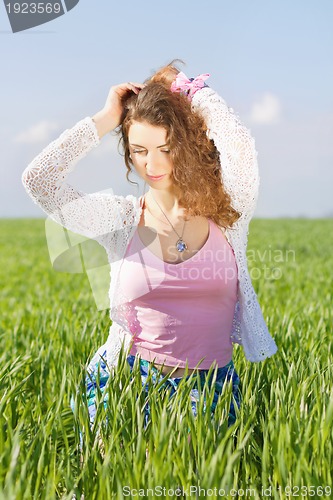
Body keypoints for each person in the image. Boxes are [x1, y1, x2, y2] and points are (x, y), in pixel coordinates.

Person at [21, 59, 278, 435]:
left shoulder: (229, 216)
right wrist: (108, 117)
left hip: (212, 393)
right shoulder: (122, 219)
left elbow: (238, 144)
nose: (152, 163)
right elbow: (39, 181)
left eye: (166, 148)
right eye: (139, 149)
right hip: (126, 390)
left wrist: (194, 93)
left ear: (189, 144)